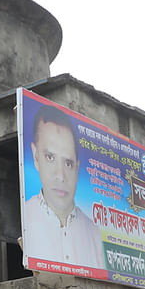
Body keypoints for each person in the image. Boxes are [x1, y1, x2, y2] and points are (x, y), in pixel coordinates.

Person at [21, 105, 104, 269]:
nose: (60, 175)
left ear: (78, 167)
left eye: (68, 163)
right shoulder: (26, 219)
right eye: (50, 157)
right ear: (36, 157)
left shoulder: (93, 232)